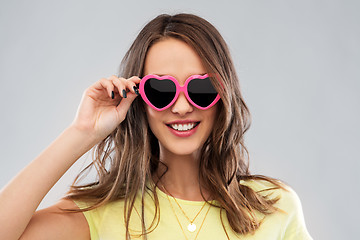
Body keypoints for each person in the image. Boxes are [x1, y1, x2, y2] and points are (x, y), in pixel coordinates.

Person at [0, 13, 313, 240]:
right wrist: (82, 132)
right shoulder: (99, 213)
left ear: (223, 94)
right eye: (161, 91)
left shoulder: (275, 206)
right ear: (139, 100)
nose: (180, 106)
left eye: (200, 89)